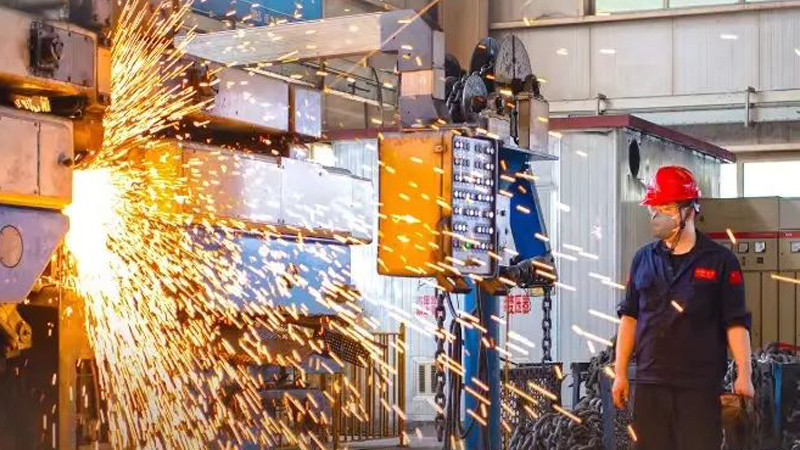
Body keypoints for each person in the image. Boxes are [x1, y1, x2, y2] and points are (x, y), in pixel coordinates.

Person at [612, 165, 755, 450]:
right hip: (651, 384)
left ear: (690, 210)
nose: (657, 215)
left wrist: (745, 374)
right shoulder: (643, 259)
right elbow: (630, 318)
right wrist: (620, 373)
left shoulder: (720, 261)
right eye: (654, 208)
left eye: (666, 208)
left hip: (699, 387)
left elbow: (735, 323)